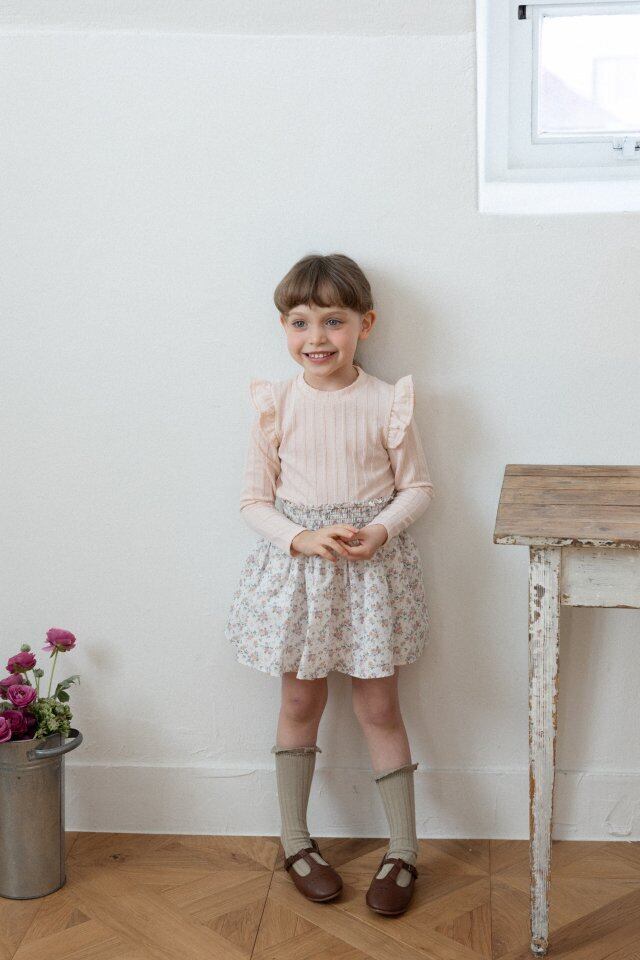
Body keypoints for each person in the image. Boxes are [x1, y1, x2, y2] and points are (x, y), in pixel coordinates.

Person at [224, 252, 435, 916]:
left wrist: (381, 530)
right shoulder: (275, 405)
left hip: (369, 577)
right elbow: (253, 501)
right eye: (300, 322)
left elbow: (417, 488)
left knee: (380, 708)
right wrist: (299, 536)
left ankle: (404, 849)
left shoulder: (387, 402)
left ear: (364, 324)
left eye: (333, 321)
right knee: (298, 703)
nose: (316, 337)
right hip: (302, 580)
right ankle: (295, 840)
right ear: (284, 327)